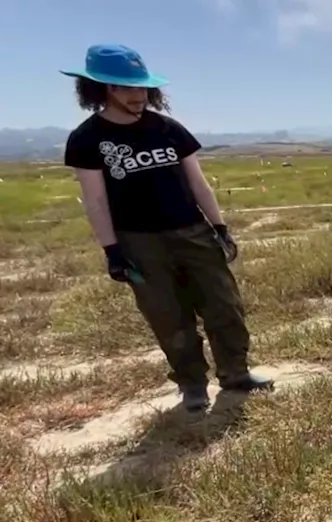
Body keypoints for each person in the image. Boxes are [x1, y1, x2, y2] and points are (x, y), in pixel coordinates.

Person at [61, 44, 273, 412]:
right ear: (102, 89)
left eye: (142, 88)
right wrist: (112, 251)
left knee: (224, 306)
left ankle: (235, 373)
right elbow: (95, 201)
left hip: (193, 231)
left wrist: (220, 228)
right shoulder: (87, 139)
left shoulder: (168, 128)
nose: (138, 95)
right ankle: (192, 385)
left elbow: (198, 183)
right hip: (139, 242)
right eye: (126, 88)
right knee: (167, 315)